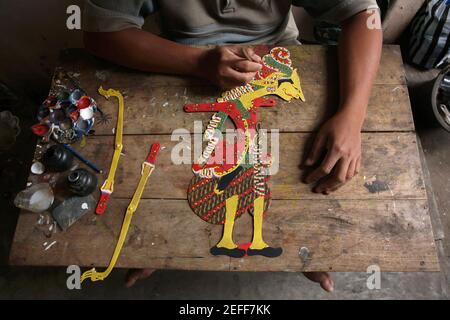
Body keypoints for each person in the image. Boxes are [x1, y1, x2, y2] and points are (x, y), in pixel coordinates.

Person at [82, 0, 383, 293]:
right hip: (179, 57)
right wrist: (198, 62)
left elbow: (364, 13)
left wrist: (352, 115)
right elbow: (99, 32)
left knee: (305, 173)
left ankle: (303, 249)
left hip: (275, 51)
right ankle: (162, 246)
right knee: (173, 174)